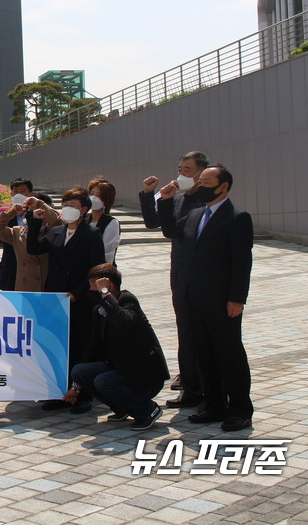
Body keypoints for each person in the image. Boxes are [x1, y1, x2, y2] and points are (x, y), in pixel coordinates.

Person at [158, 165, 254, 431]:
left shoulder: (237, 217)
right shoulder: (196, 214)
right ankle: (213, 405)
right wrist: (165, 202)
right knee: (204, 355)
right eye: (200, 181)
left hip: (222, 302)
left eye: (207, 181)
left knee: (229, 355)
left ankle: (240, 409)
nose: (201, 185)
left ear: (223, 186)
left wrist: (237, 298)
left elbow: (241, 262)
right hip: (194, 299)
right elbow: (170, 230)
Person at [139, 150, 209, 407]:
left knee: (202, 330)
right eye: (180, 169)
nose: (181, 174)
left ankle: (202, 383)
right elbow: (155, 224)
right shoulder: (178, 199)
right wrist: (150, 195)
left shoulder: (207, 203)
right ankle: (190, 380)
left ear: (204, 173)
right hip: (180, 273)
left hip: (203, 275)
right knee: (185, 328)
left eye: (187, 170)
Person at [27, 187, 106, 413]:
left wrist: (78, 293)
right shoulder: (56, 232)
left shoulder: (92, 234)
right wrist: (34, 222)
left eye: (73, 206)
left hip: (79, 300)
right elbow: (33, 248)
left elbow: (96, 269)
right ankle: (58, 393)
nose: (68, 209)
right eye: (65, 205)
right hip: (56, 299)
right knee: (58, 347)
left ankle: (82, 394)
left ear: (83, 210)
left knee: (80, 347)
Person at [65, 264, 169, 430]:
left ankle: (147, 410)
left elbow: (123, 321)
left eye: (93, 284)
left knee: (103, 381)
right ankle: (123, 407)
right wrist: (75, 386)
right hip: (122, 367)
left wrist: (105, 293)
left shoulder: (127, 300)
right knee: (80, 372)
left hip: (144, 373)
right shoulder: (99, 309)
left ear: (108, 285)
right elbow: (93, 347)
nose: (90, 288)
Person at [0, 192, 57, 292]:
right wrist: (12, 212)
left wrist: (40, 204)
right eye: (32, 210)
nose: (37, 214)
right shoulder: (18, 233)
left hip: (48, 285)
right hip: (26, 286)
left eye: (41, 211)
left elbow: (56, 221)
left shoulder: (54, 231)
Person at [0, 178, 33, 290]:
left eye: (23, 191)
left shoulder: (37, 215)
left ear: (30, 194)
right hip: (10, 270)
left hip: (32, 270)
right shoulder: (6, 217)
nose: (19, 194)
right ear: (11, 193)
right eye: (15, 191)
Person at [87, 177, 121, 264]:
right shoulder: (84, 219)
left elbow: (107, 254)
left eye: (98, 195)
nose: (93, 198)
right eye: (92, 193)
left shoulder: (111, 223)